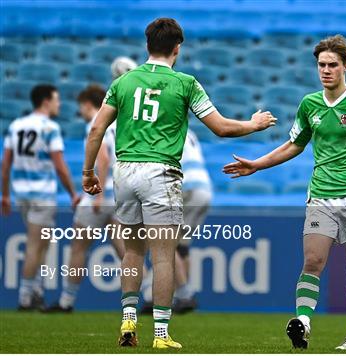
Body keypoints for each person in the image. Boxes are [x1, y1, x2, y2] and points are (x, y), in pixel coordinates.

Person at [82, 18, 276, 349]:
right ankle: (160, 335)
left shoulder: (124, 82)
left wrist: (88, 172)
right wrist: (254, 124)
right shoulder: (185, 83)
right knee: (162, 256)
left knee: (131, 250)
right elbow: (221, 128)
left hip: (125, 170)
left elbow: (97, 129)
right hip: (161, 173)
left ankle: (128, 318)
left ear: (147, 46)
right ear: (177, 48)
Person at [223, 35, 346, 351]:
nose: (326, 70)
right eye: (321, 65)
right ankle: (303, 322)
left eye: (332, 65)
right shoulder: (309, 104)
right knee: (313, 261)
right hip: (321, 197)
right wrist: (257, 165)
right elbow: (294, 145)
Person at [45, 84, 125, 312]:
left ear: (88, 105)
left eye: (81, 106)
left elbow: (104, 158)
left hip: (99, 196)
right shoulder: (117, 124)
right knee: (125, 250)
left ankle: (66, 301)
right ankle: (148, 292)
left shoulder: (96, 124)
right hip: (117, 195)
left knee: (79, 247)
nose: (80, 111)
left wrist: (96, 193)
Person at [1, 84, 80, 311]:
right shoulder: (49, 128)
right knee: (36, 246)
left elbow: (5, 165)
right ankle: (25, 296)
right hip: (42, 194)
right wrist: (73, 193)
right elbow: (60, 167)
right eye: (56, 100)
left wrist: (5, 194)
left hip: (21, 193)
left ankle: (35, 290)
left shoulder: (16, 125)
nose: (59, 104)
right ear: (45, 101)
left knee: (41, 244)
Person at [140, 128, 212, 314]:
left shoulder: (164, 130)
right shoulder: (191, 132)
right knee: (181, 247)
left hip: (184, 188)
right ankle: (177, 297)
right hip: (204, 190)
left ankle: (182, 294)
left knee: (164, 243)